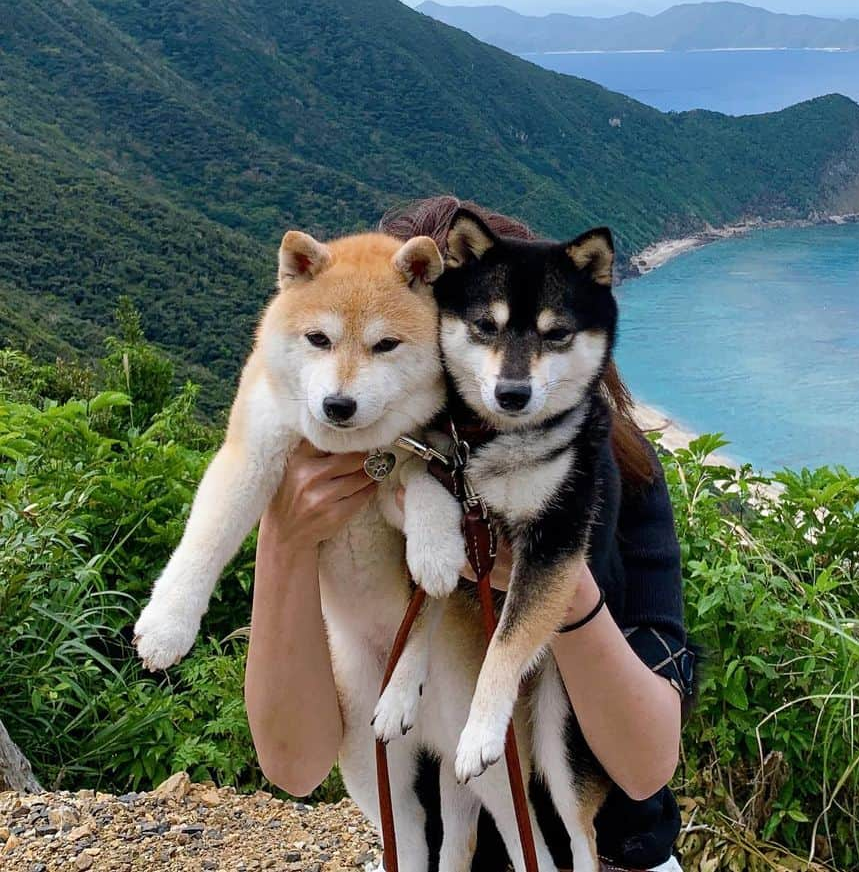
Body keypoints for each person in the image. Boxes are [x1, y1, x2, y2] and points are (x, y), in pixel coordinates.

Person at [245, 197, 694, 871]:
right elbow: (295, 763)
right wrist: (282, 541)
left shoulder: (613, 466)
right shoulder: (350, 480)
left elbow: (644, 766)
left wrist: (554, 582)